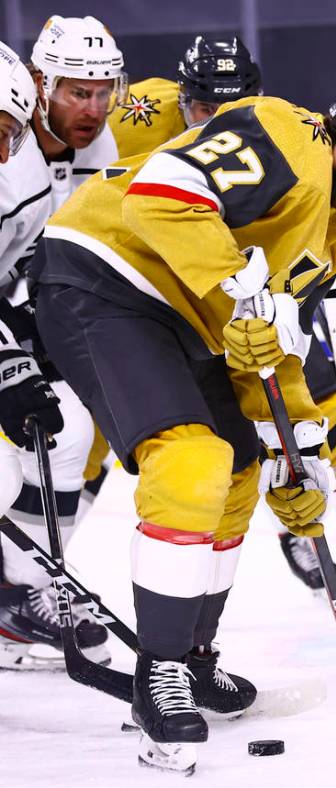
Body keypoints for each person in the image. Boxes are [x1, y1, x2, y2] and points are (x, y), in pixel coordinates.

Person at [30, 72, 336, 774]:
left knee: (244, 469)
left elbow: (265, 343)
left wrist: (297, 450)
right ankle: (156, 676)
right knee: (192, 461)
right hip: (100, 275)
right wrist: (236, 280)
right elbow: (161, 195)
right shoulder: (287, 131)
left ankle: (190, 658)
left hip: (183, 314)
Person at [0, 15, 127, 670]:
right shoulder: (8, 150)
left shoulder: (99, 149)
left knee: (71, 430)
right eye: (78, 92)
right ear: (40, 83)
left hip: (23, 299)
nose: (94, 108)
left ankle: (20, 593)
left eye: (105, 91)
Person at [109, 35, 262, 160]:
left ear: (257, 106)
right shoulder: (129, 116)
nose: (218, 122)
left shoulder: (277, 128)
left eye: (232, 110)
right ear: (182, 102)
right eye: (207, 109)